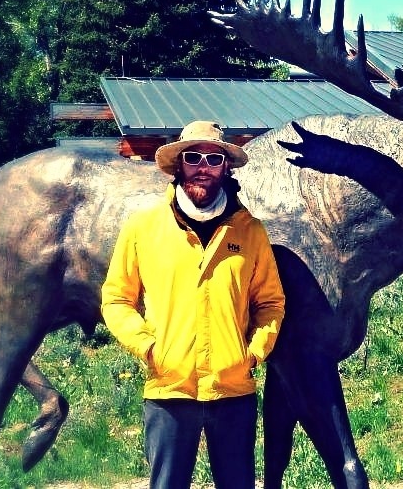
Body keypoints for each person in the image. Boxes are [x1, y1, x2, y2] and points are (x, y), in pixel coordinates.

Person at [101, 120, 285, 489]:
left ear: (226, 167)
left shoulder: (250, 231)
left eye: (214, 159)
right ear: (179, 164)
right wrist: (149, 348)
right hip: (169, 390)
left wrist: (251, 355)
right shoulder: (143, 228)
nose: (203, 167)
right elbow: (116, 299)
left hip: (233, 392)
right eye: (193, 157)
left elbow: (270, 302)